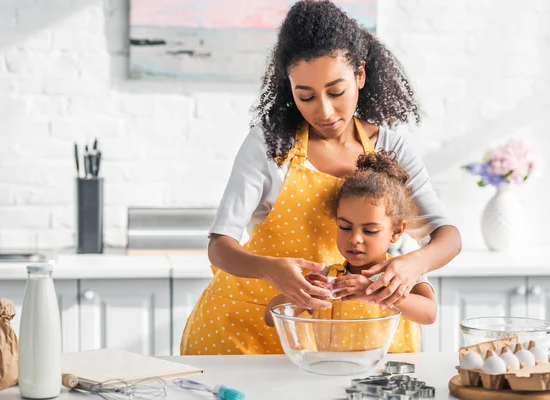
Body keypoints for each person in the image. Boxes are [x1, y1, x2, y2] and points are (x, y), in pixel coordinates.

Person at [180, 0, 461, 356]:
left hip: (329, 343)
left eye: (336, 91)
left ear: (359, 74)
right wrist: (272, 271)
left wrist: (413, 263)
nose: (324, 111)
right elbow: (219, 247)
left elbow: (447, 237)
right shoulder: (270, 145)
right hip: (244, 333)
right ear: (290, 88)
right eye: (306, 96)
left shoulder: (390, 147)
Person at [264, 150, 436, 352]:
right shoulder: (329, 276)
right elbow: (270, 317)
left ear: (396, 231)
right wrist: (305, 293)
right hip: (336, 374)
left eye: (370, 230)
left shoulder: (402, 273)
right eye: (345, 227)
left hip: (393, 379)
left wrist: (373, 291)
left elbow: (429, 314)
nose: (355, 239)